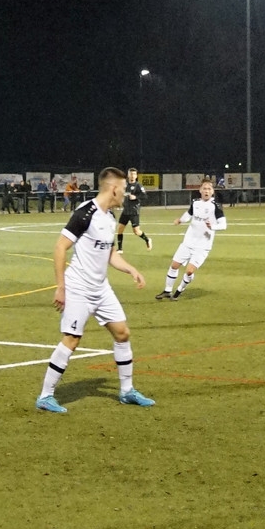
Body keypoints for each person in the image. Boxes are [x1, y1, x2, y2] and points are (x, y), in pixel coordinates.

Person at [35, 167, 154, 413]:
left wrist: (131, 269)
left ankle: (127, 391)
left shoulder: (109, 217)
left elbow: (110, 254)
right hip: (78, 288)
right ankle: (46, 396)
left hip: (101, 289)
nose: (125, 193)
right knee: (72, 340)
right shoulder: (85, 213)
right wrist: (61, 287)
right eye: (123, 188)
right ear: (113, 189)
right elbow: (60, 248)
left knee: (122, 333)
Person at [155, 178, 226, 301]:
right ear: (200, 190)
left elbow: (223, 225)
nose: (206, 191)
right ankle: (167, 291)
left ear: (212, 191)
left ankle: (179, 290)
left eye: (209, 189)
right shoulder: (195, 203)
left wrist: (212, 226)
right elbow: (188, 215)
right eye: (204, 188)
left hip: (203, 246)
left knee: (189, 271)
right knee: (174, 265)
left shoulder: (216, 207)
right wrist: (180, 220)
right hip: (188, 242)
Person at [116, 167, 152, 253]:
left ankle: (147, 240)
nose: (132, 176)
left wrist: (136, 197)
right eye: (131, 174)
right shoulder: (125, 185)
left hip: (134, 211)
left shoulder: (138, 185)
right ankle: (120, 249)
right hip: (125, 211)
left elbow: (145, 196)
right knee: (120, 229)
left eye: (134, 174)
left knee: (136, 231)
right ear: (128, 175)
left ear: (136, 176)